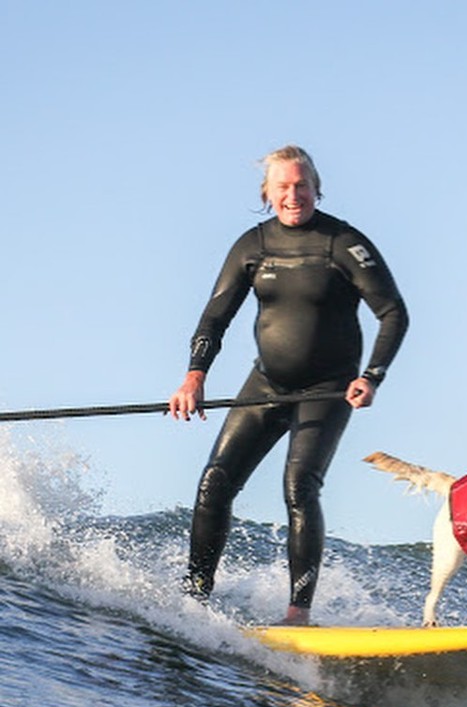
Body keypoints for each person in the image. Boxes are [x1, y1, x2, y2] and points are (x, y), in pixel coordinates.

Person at [168, 145, 408, 625]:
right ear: (267, 193)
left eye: (302, 185)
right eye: (283, 187)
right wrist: (194, 377)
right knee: (214, 483)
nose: (293, 195)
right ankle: (194, 599)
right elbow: (215, 317)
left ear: (317, 189)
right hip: (267, 383)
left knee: (299, 486)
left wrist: (372, 376)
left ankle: (297, 614)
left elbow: (393, 312)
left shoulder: (343, 242)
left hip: (328, 388)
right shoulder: (252, 245)